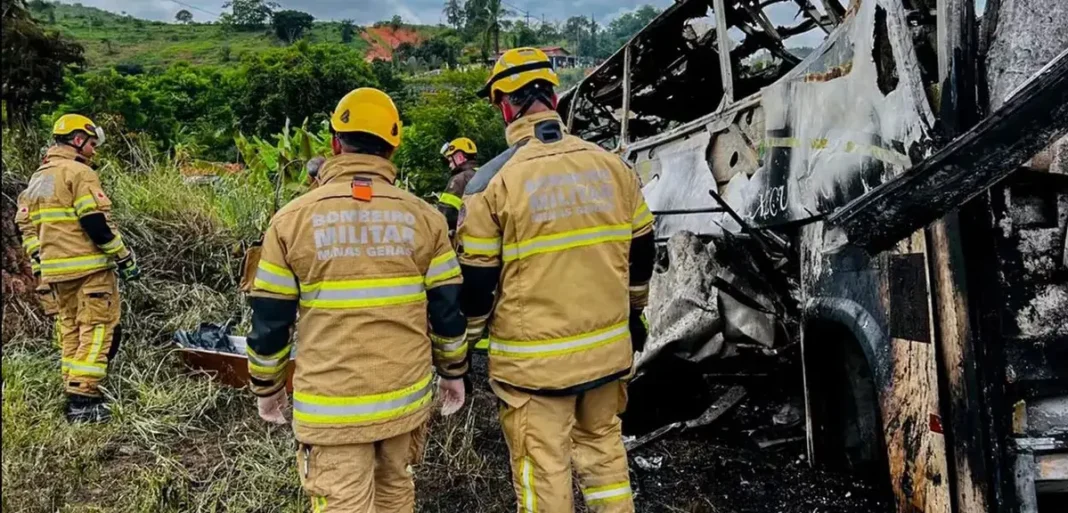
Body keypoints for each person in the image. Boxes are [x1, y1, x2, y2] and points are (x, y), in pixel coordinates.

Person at [245, 87, 468, 513]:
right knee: (396, 494)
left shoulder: (291, 220)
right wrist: (453, 373)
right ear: (391, 147)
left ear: (334, 143)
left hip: (331, 410)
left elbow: (270, 320)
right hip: (404, 399)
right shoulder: (426, 219)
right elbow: (447, 312)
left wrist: (267, 388)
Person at [458, 48, 656, 513]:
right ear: (553, 97)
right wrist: (634, 314)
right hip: (607, 354)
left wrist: (462, 349)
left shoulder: (491, 184)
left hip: (535, 372)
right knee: (606, 458)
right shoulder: (613, 167)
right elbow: (642, 251)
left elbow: (478, 285)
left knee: (543, 472)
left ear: (507, 105)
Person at [15, 114, 141, 423]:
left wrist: (41, 262)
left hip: (55, 274)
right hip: (89, 271)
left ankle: (72, 389)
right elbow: (95, 223)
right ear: (76, 140)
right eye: (92, 144)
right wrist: (124, 258)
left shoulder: (38, 178)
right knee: (99, 329)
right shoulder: (79, 172)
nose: (94, 151)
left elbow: (25, 228)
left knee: (71, 330)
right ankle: (85, 400)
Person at [435, 137, 479, 242]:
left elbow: (446, 213)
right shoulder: (482, 173)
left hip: (465, 240)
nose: (450, 165)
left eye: (450, 160)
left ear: (459, 157)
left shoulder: (459, 179)